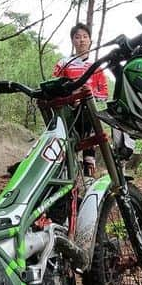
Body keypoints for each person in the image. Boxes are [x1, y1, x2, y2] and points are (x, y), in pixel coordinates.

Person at [54, 22, 109, 177]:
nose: (82, 40)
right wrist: (72, 94)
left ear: (90, 41)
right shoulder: (64, 63)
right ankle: (66, 175)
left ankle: (89, 174)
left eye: (85, 37)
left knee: (90, 129)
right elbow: (55, 88)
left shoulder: (97, 67)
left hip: (89, 111)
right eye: (77, 37)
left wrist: (90, 93)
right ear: (72, 40)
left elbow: (104, 94)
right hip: (68, 111)